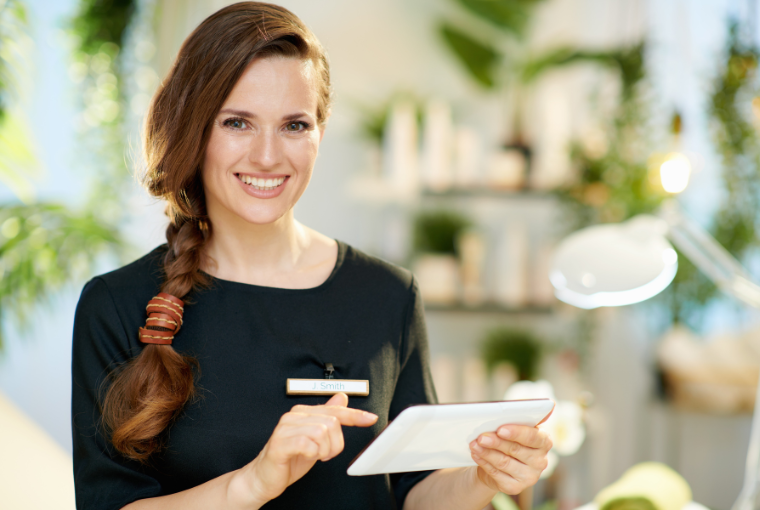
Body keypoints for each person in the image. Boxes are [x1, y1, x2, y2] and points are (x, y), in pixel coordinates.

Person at [70, 3, 552, 509]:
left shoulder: (387, 296)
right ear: (194, 129)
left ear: (319, 132)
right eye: (238, 122)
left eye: (294, 126)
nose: (267, 156)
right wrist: (253, 482)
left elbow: (414, 492)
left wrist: (486, 475)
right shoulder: (117, 305)